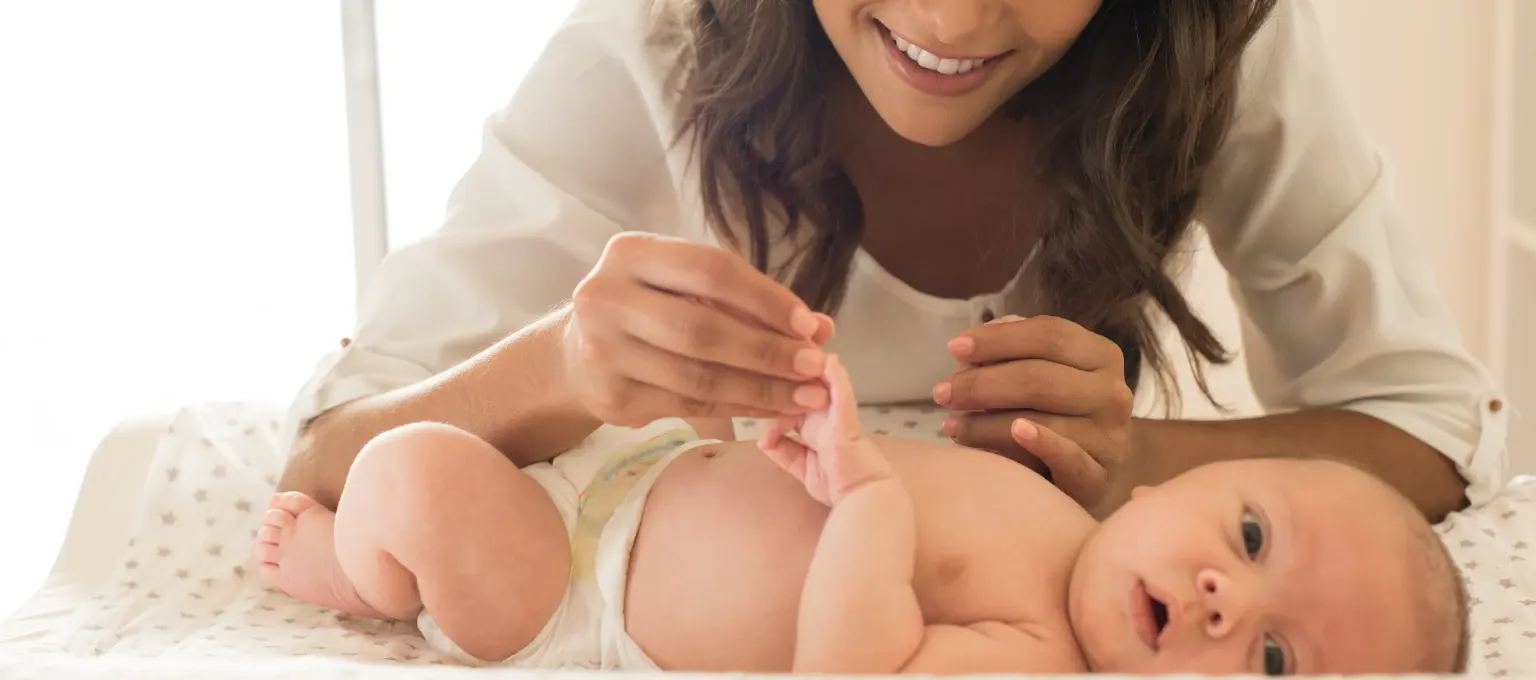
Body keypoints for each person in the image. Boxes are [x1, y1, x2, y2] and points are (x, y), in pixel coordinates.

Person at [275, 0, 1509, 522]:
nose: (953, 25)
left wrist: (1134, 461)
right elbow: (329, 450)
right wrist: (561, 365)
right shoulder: (657, 40)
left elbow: (1424, 430)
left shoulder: (1212, 41)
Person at [257, 355, 1469, 674]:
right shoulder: (1056, 512)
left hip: (582, 583)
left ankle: (361, 577)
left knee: (413, 475)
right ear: (1163, 480)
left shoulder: (1044, 656)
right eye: (1250, 537)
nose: (1225, 592)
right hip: (658, 474)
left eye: (1270, 658)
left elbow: (854, 662)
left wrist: (871, 496)